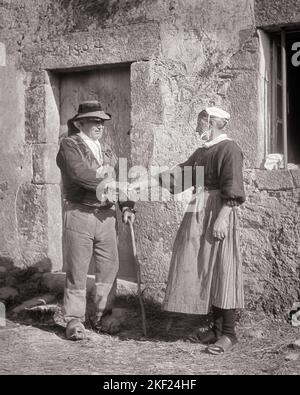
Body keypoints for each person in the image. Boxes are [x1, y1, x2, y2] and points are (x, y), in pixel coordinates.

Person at [129, 106, 246, 354]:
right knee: (204, 268)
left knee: (222, 269)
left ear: (212, 122)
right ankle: (215, 329)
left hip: (219, 211)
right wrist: (143, 183)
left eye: (200, 122)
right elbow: (178, 176)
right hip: (199, 211)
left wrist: (222, 218)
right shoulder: (202, 153)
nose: (196, 128)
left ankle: (228, 334)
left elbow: (233, 186)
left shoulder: (230, 149)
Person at [56, 101, 135, 340]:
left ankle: (102, 315)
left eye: (102, 121)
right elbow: (80, 175)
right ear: (80, 123)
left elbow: (120, 180)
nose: (100, 125)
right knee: (78, 268)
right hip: (80, 213)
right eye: (94, 120)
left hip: (107, 217)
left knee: (108, 267)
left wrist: (127, 205)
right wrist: (108, 185)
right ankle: (74, 320)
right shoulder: (70, 146)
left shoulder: (108, 150)